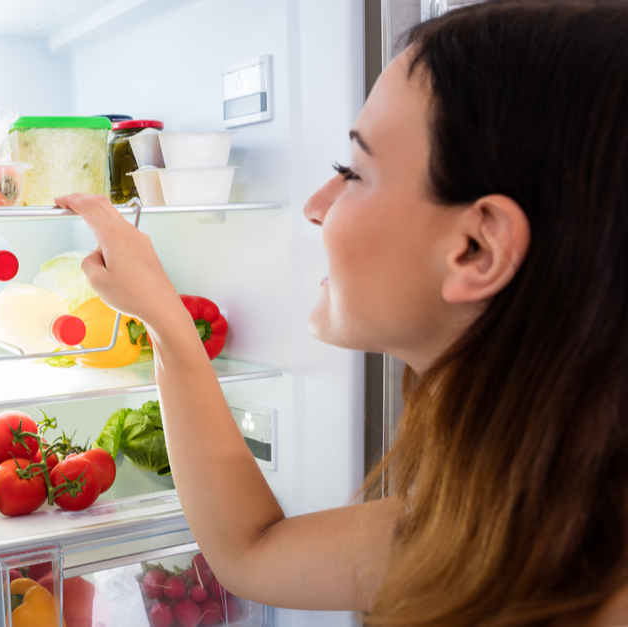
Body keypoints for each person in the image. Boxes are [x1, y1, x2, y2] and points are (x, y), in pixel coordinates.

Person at [56, 1, 628, 625]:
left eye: (352, 171)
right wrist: (166, 323)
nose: (315, 205)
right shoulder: (514, 518)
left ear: (476, 248)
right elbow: (252, 552)